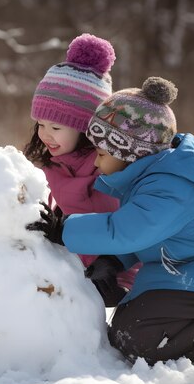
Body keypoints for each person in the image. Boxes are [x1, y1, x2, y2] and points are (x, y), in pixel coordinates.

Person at [28, 76, 194, 364]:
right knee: (125, 325)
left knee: (137, 338)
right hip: (179, 267)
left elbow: (128, 230)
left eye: (101, 154)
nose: (97, 163)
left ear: (130, 153)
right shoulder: (147, 180)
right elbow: (147, 236)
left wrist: (64, 229)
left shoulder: (169, 187)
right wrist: (116, 262)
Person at [23, 33, 140, 306]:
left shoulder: (107, 171)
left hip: (113, 275)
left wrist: (65, 234)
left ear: (86, 128)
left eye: (56, 127)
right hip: (74, 265)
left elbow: (119, 231)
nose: (45, 135)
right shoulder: (54, 166)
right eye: (40, 124)